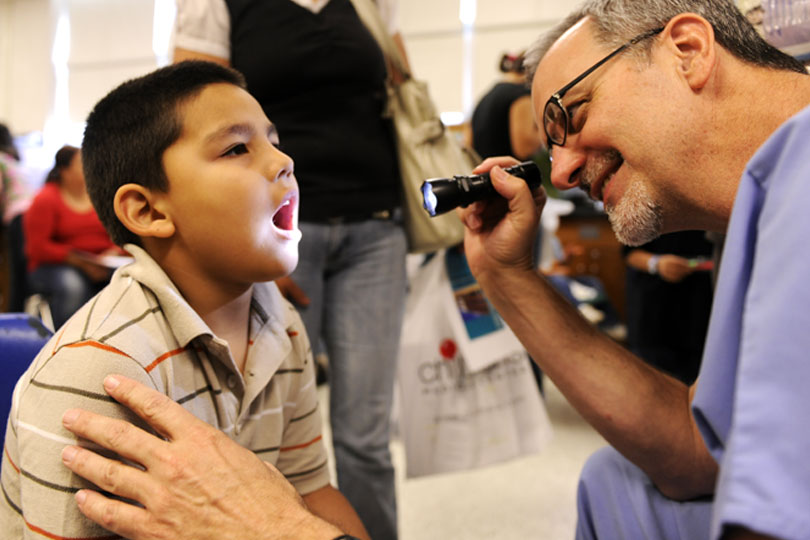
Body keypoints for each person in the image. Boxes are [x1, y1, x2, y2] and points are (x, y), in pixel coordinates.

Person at [50, 1, 810, 539]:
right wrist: (507, 278)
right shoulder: (763, 204)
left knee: (365, 438)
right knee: (615, 486)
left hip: (374, 219)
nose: (565, 168)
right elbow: (696, 453)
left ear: (687, 49)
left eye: (570, 115)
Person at [0, 60, 368, 540]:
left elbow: (310, 491)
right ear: (148, 210)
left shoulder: (282, 322)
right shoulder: (100, 371)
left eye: (273, 141)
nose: (283, 161)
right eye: (237, 148)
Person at [172, 2, 408, 538]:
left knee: (366, 437)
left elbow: (403, 93)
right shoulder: (215, 6)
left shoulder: (372, 4)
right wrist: (251, 246)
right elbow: (188, 125)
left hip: (375, 226)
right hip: (276, 230)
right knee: (264, 434)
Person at [23, 145, 120, 328]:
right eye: (81, 163)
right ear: (65, 171)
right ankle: (67, 344)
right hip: (55, 266)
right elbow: (37, 248)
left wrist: (113, 252)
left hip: (102, 263)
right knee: (73, 286)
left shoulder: (100, 195)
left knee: (130, 279)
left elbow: (119, 233)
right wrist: (79, 260)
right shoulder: (46, 199)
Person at [623, 231, 715, 384]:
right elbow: (629, 253)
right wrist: (657, 264)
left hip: (703, 313)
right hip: (657, 315)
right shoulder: (648, 209)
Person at [470, 51, 543, 160]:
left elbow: (468, 142)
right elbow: (524, 149)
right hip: (507, 172)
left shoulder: (487, 95)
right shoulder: (521, 95)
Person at [0, 122, 34, 312]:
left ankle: (12, 318)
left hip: (16, 216)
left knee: (14, 273)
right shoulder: (13, 160)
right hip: (29, 213)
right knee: (21, 270)